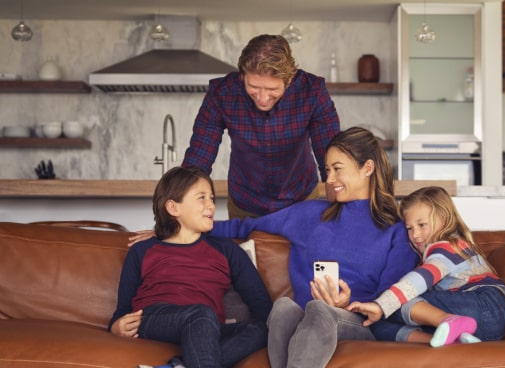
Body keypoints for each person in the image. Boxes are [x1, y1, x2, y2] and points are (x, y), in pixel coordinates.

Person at [205, 126, 420, 367]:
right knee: (284, 308)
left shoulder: (396, 231)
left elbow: (389, 299)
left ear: (367, 168)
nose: (329, 180)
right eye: (327, 170)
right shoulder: (308, 215)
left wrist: (347, 303)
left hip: (359, 322)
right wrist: (184, 226)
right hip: (305, 317)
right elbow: (243, 227)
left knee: (319, 310)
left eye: (338, 169)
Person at [109, 166, 272, 368]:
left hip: (207, 327)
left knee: (259, 329)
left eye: (212, 198)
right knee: (200, 314)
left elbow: (262, 305)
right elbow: (122, 310)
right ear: (173, 208)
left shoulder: (226, 250)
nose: (211, 206)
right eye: (201, 197)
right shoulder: (143, 250)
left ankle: (179, 366)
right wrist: (116, 327)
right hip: (155, 319)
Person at [182, 33, 340, 219]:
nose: (263, 99)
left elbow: (332, 159)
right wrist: (174, 221)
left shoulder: (312, 91)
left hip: (301, 201)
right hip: (244, 203)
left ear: (289, 80)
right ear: (242, 76)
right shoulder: (222, 93)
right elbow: (198, 159)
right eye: (254, 87)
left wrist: (339, 215)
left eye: (272, 89)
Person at [347, 186, 505, 347]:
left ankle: (447, 321)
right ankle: (451, 339)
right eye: (409, 228)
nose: (415, 234)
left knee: (396, 300)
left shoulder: (447, 248)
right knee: (378, 326)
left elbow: (419, 280)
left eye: (422, 225)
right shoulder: (438, 252)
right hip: (486, 329)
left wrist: (380, 305)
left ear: (444, 219)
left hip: (484, 306)